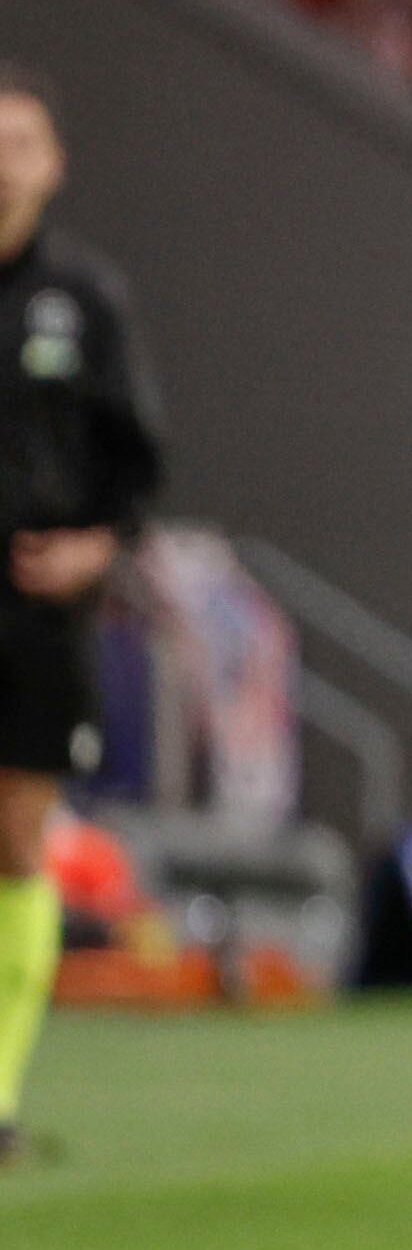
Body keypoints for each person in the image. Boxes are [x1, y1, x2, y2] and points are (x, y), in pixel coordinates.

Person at [0, 71, 163, 1169]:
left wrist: (96, 545)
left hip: (32, 606)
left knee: (14, 841)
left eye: (21, 140)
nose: (3, 158)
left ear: (53, 163)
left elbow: (138, 461)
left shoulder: (84, 300)